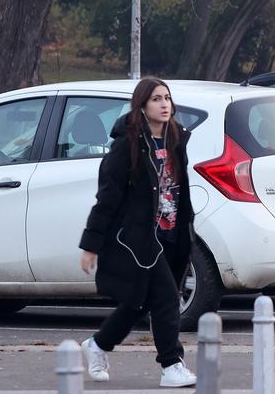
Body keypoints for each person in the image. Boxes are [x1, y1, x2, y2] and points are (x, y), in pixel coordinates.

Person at [79, 77, 197, 388]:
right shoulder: (127, 146)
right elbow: (107, 197)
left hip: (170, 234)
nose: (164, 105)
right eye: (157, 99)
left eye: (167, 98)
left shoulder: (175, 140)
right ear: (142, 106)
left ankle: (99, 345)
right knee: (169, 299)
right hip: (139, 239)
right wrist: (92, 244)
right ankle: (171, 364)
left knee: (138, 301)